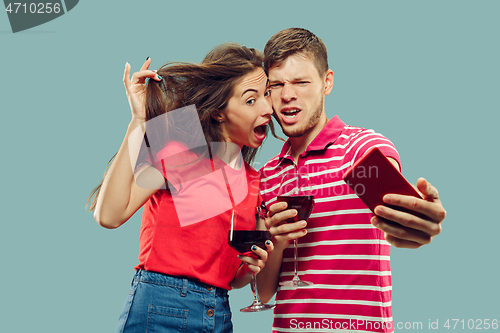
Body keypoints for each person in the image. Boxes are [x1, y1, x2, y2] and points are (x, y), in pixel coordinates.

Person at [256, 28, 447, 333]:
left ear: (326, 82)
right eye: (276, 84)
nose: (287, 94)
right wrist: (277, 241)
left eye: (301, 82)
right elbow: (264, 293)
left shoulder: (359, 150)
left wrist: (418, 220)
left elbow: (402, 212)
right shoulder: (268, 175)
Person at [86, 43, 277, 333]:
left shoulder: (255, 183)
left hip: (218, 314)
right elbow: (109, 215)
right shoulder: (180, 153)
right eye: (251, 101)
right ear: (218, 113)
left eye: (266, 95)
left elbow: (232, 279)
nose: (268, 108)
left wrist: (250, 266)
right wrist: (138, 121)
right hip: (161, 306)